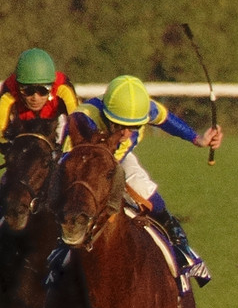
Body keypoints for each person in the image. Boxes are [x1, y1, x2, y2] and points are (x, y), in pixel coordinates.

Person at [72, 75, 222, 285]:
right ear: (106, 115)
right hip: (85, 164)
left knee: (150, 197)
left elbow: (166, 120)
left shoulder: (145, 109)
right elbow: (67, 162)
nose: (126, 133)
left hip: (118, 160)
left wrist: (197, 139)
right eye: (119, 126)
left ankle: (184, 251)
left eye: (133, 127)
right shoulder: (83, 118)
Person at [0, 48, 77, 138]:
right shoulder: (9, 91)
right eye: (28, 90)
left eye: (43, 90)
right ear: (18, 86)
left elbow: (78, 128)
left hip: (50, 131)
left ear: (52, 87)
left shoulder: (63, 88)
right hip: (20, 133)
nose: (35, 98)